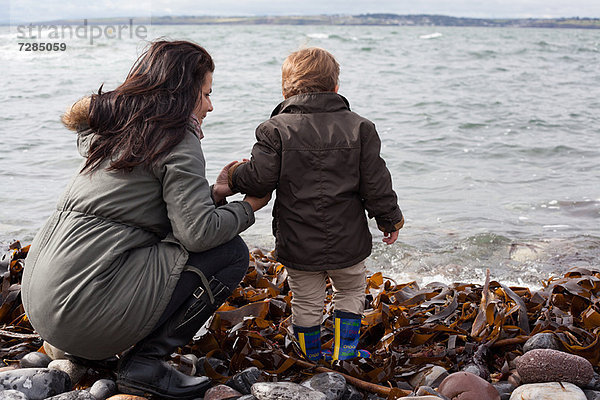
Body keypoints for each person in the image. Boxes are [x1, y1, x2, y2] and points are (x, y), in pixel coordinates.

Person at [21, 40, 270, 399]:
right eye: (205, 93)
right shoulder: (177, 137)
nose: (211, 105)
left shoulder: (116, 128)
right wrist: (248, 208)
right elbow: (197, 234)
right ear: (185, 93)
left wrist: (216, 194)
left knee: (160, 244)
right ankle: (146, 363)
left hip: (44, 303)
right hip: (82, 312)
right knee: (230, 253)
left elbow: (147, 210)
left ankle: (82, 348)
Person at [227, 47, 404, 362]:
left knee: (307, 300)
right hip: (348, 237)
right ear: (336, 87)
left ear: (285, 90)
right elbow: (376, 183)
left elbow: (259, 180)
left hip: (298, 238)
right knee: (350, 292)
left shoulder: (274, 129)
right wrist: (389, 219)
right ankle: (344, 352)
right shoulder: (361, 127)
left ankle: (310, 356)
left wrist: (235, 176)